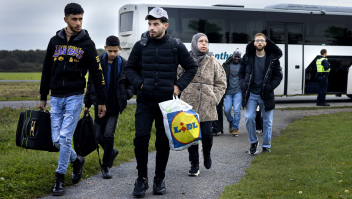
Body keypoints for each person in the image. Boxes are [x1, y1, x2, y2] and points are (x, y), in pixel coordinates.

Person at [125, 7, 198, 197]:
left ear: (165, 25)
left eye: (156, 24)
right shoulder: (140, 45)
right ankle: (141, 179)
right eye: (149, 24)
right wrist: (140, 84)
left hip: (167, 104)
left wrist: (178, 86)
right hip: (145, 101)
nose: (151, 27)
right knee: (141, 139)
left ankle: (159, 179)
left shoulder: (175, 45)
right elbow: (129, 69)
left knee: (162, 142)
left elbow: (191, 67)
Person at [38, 3, 107, 196]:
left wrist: (100, 101)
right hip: (56, 97)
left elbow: (97, 74)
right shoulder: (54, 41)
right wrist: (43, 96)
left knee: (65, 137)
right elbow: (46, 70)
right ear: (65, 19)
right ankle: (77, 160)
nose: (78, 23)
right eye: (74, 19)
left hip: (75, 96)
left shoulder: (87, 44)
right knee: (56, 141)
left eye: (81, 19)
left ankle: (59, 178)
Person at [84, 36, 134, 179]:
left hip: (115, 105)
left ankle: (106, 166)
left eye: (115, 51)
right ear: (105, 48)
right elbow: (90, 84)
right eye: (110, 51)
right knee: (97, 136)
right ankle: (111, 151)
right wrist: (87, 104)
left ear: (119, 49)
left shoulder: (125, 64)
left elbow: (131, 84)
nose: (112, 54)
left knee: (108, 135)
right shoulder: (97, 62)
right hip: (99, 104)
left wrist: (126, 95)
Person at [178, 33, 227, 176]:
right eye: (201, 41)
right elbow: (176, 77)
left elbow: (221, 83)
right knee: (192, 135)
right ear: (194, 43)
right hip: (188, 103)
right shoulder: (184, 60)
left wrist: (214, 98)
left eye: (206, 41)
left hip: (207, 103)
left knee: (206, 133)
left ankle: (207, 152)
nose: (204, 44)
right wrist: (181, 93)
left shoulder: (213, 61)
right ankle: (194, 164)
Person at [238, 33, 283, 155]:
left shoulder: (272, 59)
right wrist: (243, 84)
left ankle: (266, 146)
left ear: (265, 43)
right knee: (249, 117)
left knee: (267, 121)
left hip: (266, 94)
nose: (259, 42)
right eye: (257, 40)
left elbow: (278, 76)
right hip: (251, 93)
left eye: (261, 40)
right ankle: (253, 142)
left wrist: (270, 86)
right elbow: (241, 73)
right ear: (254, 43)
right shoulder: (248, 57)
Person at [222, 50, 242, 136]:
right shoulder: (226, 65)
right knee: (226, 110)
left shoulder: (242, 65)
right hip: (228, 92)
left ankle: (235, 128)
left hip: (238, 91)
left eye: (238, 57)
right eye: (235, 56)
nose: (237, 58)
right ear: (232, 56)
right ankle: (231, 122)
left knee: (237, 110)